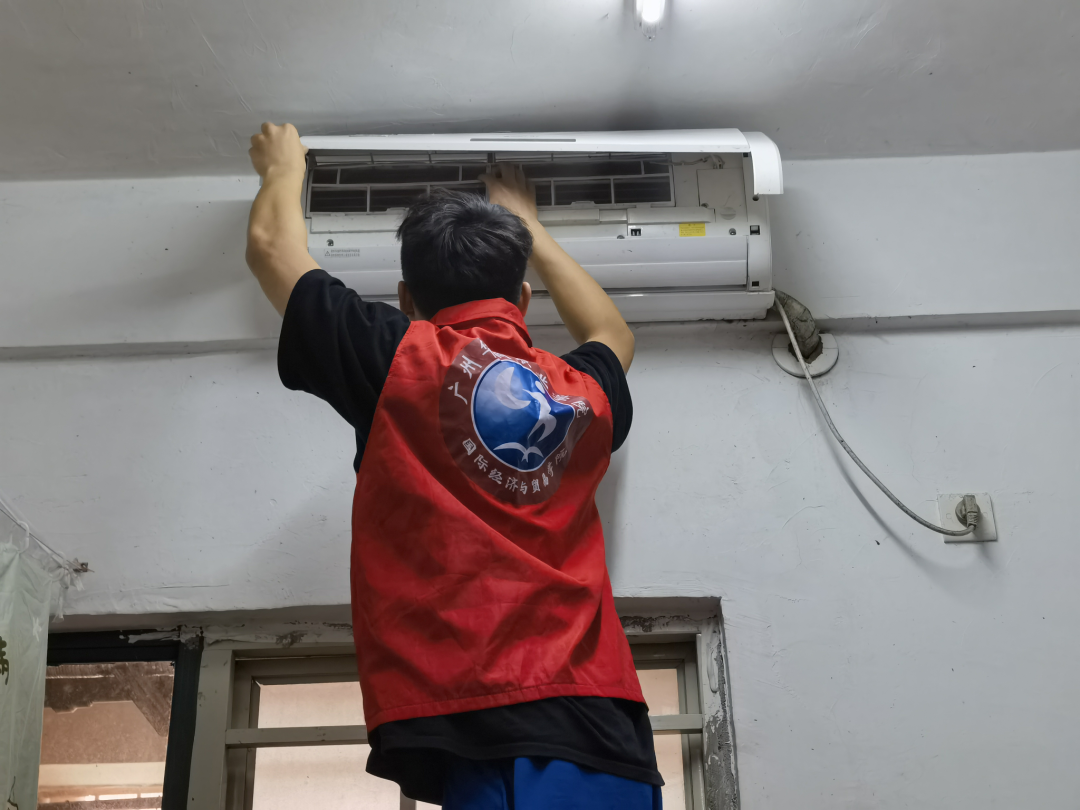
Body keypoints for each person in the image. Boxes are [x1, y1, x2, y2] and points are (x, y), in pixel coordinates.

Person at [245, 122, 662, 809]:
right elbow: (612, 332)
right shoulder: (578, 394)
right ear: (522, 299)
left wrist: (282, 167)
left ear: (406, 299)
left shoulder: (395, 358)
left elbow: (271, 248)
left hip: (471, 717)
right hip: (600, 725)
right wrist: (530, 224)